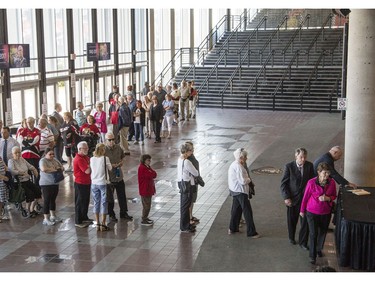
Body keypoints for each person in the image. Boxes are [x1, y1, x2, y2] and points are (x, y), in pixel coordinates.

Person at [300, 162, 337, 265]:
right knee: (313, 233)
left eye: (328, 173)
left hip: (326, 212)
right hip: (312, 212)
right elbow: (305, 197)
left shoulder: (332, 182)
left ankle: (318, 249)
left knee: (323, 232)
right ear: (319, 172)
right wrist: (302, 210)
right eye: (324, 173)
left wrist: (328, 198)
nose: (327, 175)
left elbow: (334, 196)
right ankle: (312, 256)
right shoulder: (311, 183)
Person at [280, 147, 314, 249]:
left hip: (305, 199)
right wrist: (286, 197)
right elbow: (283, 184)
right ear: (296, 156)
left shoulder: (309, 166)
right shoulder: (289, 167)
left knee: (304, 222)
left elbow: (312, 182)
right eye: (301, 157)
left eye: (304, 157)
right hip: (292, 199)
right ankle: (291, 237)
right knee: (292, 220)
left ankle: (303, 242)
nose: (303, 159)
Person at [228, 148, 260, 238]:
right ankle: (251, 232)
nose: (247, 158)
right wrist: (249, 179)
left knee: (236, 210)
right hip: (240, 191)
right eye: (245, 157)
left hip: (235, 190)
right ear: (241, 157)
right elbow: (242, 181)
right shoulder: (238, 166)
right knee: (247, 212)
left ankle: (233, 228)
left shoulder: (234, 164)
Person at [104, 132, 133, 221]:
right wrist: (111, 165)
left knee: (122, 195)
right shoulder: (103, 150)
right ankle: (111, 214)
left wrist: (121, 163)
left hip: (118, 175)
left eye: (113, 139)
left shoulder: (118, 148)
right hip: (109, 178)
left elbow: (122, 157)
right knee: (110, 198)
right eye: (110, 140)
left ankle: (123, 213)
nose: (112, 141)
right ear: (106, 140)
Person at [8, 146, 39, 218]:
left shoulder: (22, 159)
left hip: (27, 179)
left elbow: (30, 166)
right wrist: (21, 173)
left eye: (19, 152)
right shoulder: (11, 161)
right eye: (16, 153)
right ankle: (27, 210)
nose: (18, 154)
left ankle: (32, 209)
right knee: (30, 194)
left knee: (38, 191)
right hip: (19, 182)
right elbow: (12, 171)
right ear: (12, 154)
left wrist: (34, 169)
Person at [39, 148, 64, 226]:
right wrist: (55, 169)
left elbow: (62, 167)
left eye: (53, 154)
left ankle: (53, 215)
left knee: (53, 199)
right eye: (50, 154)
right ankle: (46, 218)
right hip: (46, 184)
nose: (52, 155)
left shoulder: (55, 160)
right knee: (47, 200)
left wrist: (55, 169)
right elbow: (44, 169)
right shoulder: (43, 161)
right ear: (45, 154)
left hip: (55, 183)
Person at [177, 143, 199, 233]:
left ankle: (185, 225)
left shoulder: (180, 159)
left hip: (182, 184)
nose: (192, 152)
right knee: (185, 206)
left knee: (184, 206)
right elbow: (196, 173)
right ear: (186, 151)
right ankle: (185, 226)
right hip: (188, 185)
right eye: (191, 150)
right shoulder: (187, 162)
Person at [90, 143, 112, 231]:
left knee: (96, 202)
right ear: (103, 150)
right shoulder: (105, 158)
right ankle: (103, 223)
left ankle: (97, 222)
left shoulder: (91, 159)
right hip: (103, 183)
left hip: (94, 183)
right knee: (104, 203)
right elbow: (110, 168)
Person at [73, 141, 92, 228]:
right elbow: (87, 171)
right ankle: (78, 220)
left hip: (87, 182)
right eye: (85, 148)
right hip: (80, 183)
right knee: (80, 202)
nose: (87, 150)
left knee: (85, 201)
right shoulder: (79, 159)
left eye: (87, 148)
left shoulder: (85, 157)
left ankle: (84, 217)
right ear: (79, 149)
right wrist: (92, 165)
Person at [138, 154, 157, 226]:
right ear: (144, 161)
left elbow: (154, 174)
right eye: (148, 160)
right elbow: (150, 175)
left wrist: (151, 172)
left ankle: (145, 217)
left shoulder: (147, 167)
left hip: (149, 189)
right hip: (145, 190)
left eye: (150, 160)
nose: (150, 161)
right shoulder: (142, 168)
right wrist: (151, 172)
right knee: (146, 205)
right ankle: (144, 219)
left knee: (148, 204)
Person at [185, 141, 201, 225]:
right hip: (191, 182)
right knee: (189, 200)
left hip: (194, 182)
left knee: (192, 200)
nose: (193, 151)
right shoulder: (186, 160)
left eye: (193, 149)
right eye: (191, 149)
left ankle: (190, 215)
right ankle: (188, 217)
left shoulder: (192, 157)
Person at [0, 157, 9, 223]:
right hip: (1, 181)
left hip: (2, 182)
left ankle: (0, 215)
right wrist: (3, 177)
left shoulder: (0, 159)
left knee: (1, 200)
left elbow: (6, 168)